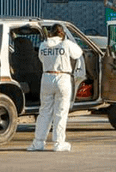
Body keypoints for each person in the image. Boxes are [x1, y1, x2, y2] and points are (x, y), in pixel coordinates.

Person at [28, 23, 83, 152]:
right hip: (62, 78)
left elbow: (41, 59)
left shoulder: (43, 45)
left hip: (46, 77)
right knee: (61, 112)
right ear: (62, 33)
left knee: (44, 112)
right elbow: (78, 53)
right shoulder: (66, 44)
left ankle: (38, 142)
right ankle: (59, 143)